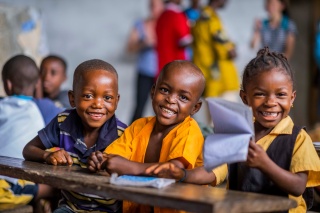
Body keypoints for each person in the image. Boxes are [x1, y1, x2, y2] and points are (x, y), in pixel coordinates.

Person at [146, 48, 320, 213]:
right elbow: (212, 172)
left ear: (292, 98)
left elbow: (298, 186)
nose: (270, 102)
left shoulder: (298, 138)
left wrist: (264, 163)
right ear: (245, 98)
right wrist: (183, 174)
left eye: (280, 95)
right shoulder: (238, 135)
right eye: (260, 94)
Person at [87, 60, 220, 213]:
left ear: (195, 108)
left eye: (183, 97)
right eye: (164, 90)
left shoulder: (189, 131)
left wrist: (130, 168)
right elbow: (113, 158)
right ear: (153, 91)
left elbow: (172, 171)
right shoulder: (139, 126)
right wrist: (100, 161)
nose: (170, 99)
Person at [23, 59, 127, 213]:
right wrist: (47, 156)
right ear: (72, 98)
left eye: (107, 98)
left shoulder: (122, 133)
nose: (98, 104)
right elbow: (29, 149)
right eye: (88, 96)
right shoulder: (63, 122)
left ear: (116, 101)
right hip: (71, 208)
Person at [0, 55, 60, 213]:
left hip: (12, 183)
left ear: (8, 84)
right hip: (23, 176)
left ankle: (46, 191)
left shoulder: (2, 106)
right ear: (37, 84)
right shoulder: (44, 109)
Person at [192, 0, 239, 101]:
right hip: (219, 79)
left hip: (208, 77)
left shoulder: (201, 16)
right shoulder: (210, 18)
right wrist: (231, 49)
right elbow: (225, 48)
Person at [128, 0, 164, 123]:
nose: (153, 8)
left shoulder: (169, 23)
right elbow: (129, 48)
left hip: (163, 73)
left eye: (156, 5)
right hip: (145, 71)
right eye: (151, 5)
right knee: (139, 107)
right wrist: (144, 43)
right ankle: (130, 137)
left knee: (164, 108)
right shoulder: (141, 24)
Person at [156, 0, 192, 78]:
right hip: (177, 69)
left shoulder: (161, 16)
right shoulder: (177, 16)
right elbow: (185, 40)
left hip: (162, 68)